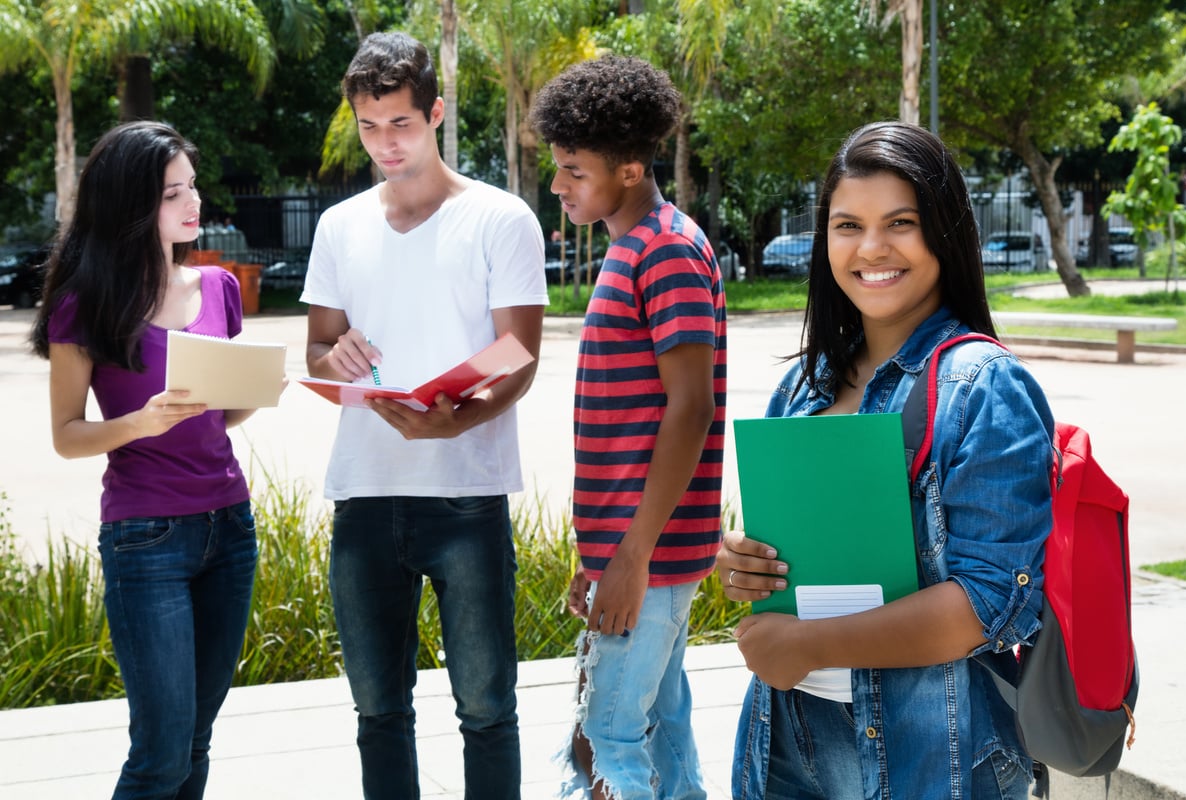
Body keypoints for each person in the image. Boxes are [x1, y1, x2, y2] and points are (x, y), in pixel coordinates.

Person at [716, 121, 1056, 800]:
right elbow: (793, 560)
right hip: (786, 738)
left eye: (900, 222)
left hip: (929, 756)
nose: (872, 248)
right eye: (848, 225)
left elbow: (989, 605)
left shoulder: (984, 386)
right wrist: (744, 564)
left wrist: (812, 647)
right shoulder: (805, 383)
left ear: (943, 233)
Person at [300, 31, 547, 800]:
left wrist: (458, 422)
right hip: (364, 497)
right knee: (378, 711)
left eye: (400, 124)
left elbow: (520, 356)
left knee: (486, 708)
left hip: (466, 496)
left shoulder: (502, 219)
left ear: (434, 112)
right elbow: (315, 349)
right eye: (369, 128)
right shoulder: (340, 225)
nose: (385, 144)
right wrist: (330, 359)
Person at [30, 121, 259, 798]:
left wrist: (254, 391)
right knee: (159, 754)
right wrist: (139, 421)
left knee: (195, 740)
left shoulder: (216, 289)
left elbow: (223, 414)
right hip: (146, 538)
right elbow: (67, 435)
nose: (192, 204)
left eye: (191, 188)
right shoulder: (84, 303)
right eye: (171, 193)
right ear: (133, 203)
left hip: (230, 528)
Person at [529, 55, 728, 800]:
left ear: (633, 169)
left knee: (604, 746)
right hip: (635, 551)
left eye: (574, 171)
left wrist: (632, 557)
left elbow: (691, 407)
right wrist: (602, 551)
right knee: (661, 736)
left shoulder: (666, 249)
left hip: (652, 556)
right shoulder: (632, 247)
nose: (558, 186)